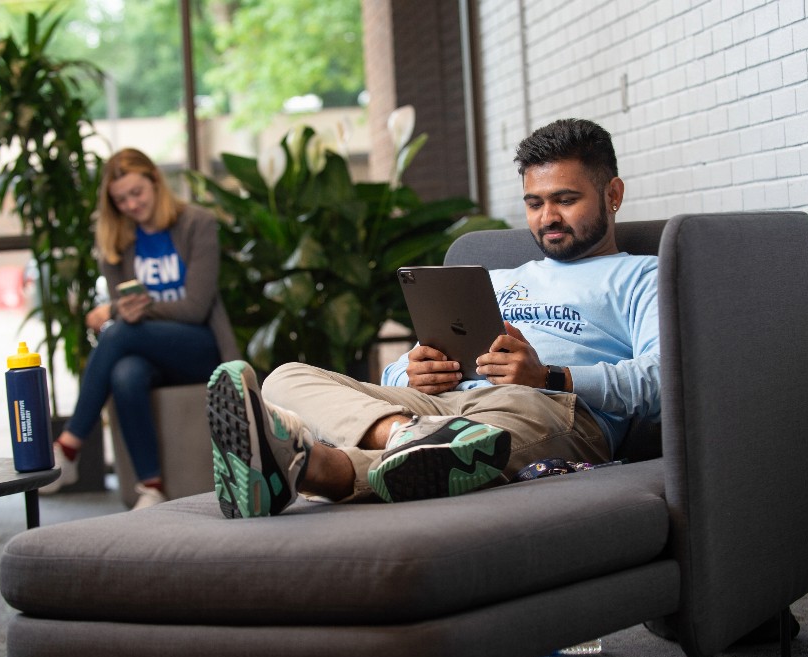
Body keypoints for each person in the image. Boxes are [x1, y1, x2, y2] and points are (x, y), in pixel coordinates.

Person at [206, 118, 660, 518]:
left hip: (544, 409)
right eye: (534, 203)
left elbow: (660, 381)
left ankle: (309, 466)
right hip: (442, 409)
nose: (548, 217)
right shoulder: (494, 279)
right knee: (284, 378)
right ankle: (404, 434)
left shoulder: (642, 275)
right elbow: (395, 371)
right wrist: (414, 371)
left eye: (565, 199)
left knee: (465, 454)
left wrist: (548, 375)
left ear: (612, 194)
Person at [47, 148, 233, 509]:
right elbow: (130, 315)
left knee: (117, 332)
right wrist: (125, 312)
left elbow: (195, 308)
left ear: (155, 183)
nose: (131, 204)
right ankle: (151, 486)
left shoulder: (197, 223)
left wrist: (117, 310)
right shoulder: (116, 241)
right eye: (121, 200)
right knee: (125, 372)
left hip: (200, 347)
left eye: (137, 193)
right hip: (148, 349)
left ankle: (69, 445)